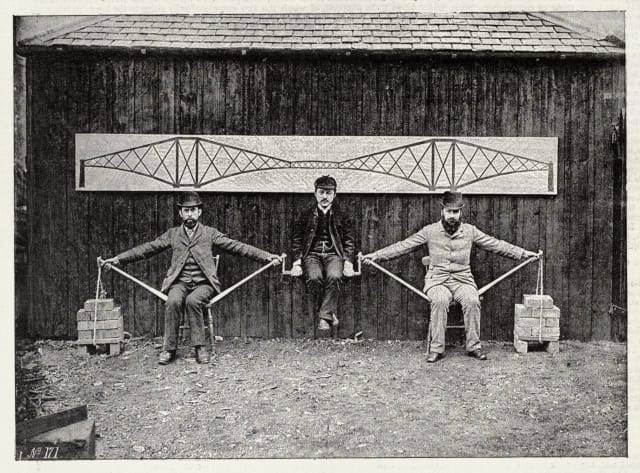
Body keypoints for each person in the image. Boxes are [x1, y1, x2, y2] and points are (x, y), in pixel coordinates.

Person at [101, 191, 281, 365]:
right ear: (180, 213)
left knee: (193, 301)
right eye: (186, 210)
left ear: (199, 212)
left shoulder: (210, 233)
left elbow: (237, 246)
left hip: (204, 285)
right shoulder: (172, 234)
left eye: (193, 210)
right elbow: (148, 248)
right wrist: (118, 259)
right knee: (172, 301)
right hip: (179, 283)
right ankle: (169, 349)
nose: (190, 214)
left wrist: (266, 256)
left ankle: (200, 347)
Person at [362, 190, 538, 362]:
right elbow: (403, 246)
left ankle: (474, 347)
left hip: (463, 281)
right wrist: (376, 255)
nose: (452, 215)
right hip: (437, 281)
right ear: (442, 211)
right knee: (439, 301)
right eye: (449, 211)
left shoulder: (470, 231)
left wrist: (523, 253)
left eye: (456, 212)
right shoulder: (429, 231)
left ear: (461, 212)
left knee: (472, 300)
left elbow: (496, 244)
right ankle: (437, 349)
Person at [290, 176, 356, 332]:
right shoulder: (305, 213)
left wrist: (348, 261)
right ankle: (327, 313)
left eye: (328, 193)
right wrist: (297, 262)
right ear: (315, 193)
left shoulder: (343, 213)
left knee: (335, 276)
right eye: (321, 192)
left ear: (334, 194)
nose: (324, 196)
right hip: (311, 254)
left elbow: (349, 240)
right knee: (314, 277)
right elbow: (297, 239)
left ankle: (324, 317)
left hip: (334, 254)